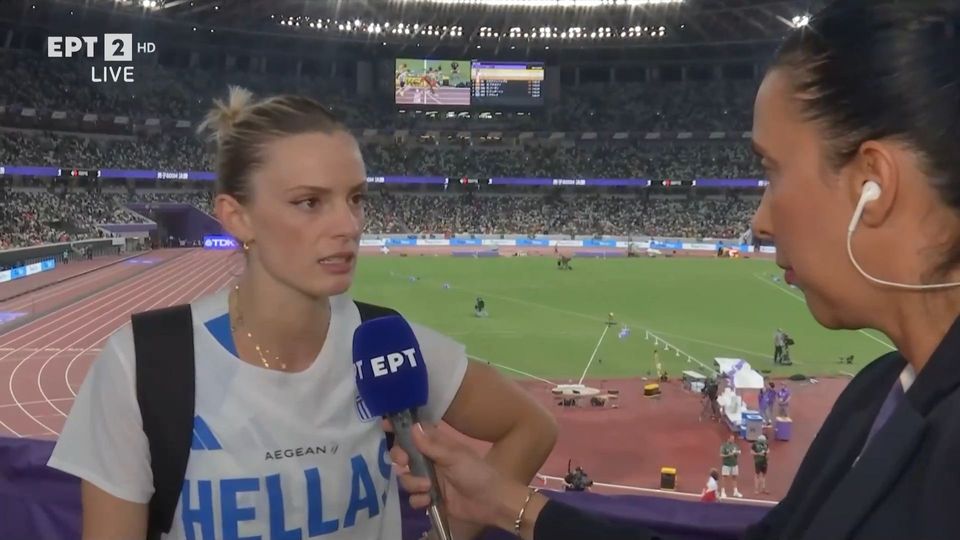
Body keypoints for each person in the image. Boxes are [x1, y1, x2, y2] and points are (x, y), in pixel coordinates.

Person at [386, 2, 960, 538]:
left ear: (872, 185)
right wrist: (506, 502)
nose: (759, 220)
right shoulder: (876, 394)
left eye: (772, 171)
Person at [47, 87, 558, 540]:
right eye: (310, 202)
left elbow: (530, 426)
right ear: (237, 217)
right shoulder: (143, 364)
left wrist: (452, 533)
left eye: (355, 198)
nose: (348, 225)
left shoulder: (386, 345)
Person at [719, 434, 743, 499]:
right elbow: (721, 455)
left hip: (734, 464)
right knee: (724, 478)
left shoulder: (735, 445)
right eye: (731, 439)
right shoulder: (724, 446)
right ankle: (722, 492)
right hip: (726, 464)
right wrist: (728, 455)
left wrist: (737, 453)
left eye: (733, 439)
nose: (733, 440)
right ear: (728, 439)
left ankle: (735, 492)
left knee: (734, 478)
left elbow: (738, 452)